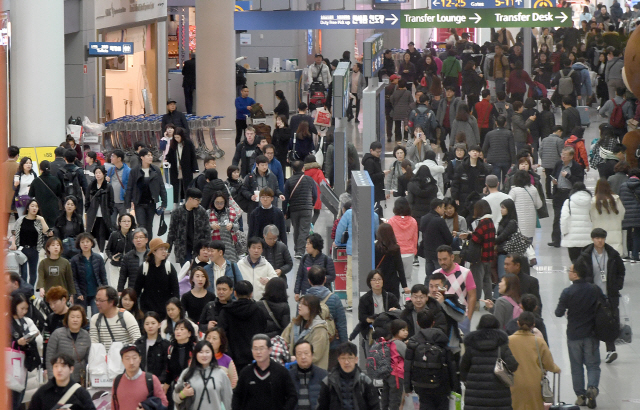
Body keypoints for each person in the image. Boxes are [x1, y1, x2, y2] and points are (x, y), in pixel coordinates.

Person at [555, 257, 603, 408]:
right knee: (593, 365)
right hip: (591, 334)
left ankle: (580, 396)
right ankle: (592, 388)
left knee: (576, 366)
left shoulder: (568, 292)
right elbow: (605, 304)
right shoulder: (594, 289)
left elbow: (558, 312)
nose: (569, 272)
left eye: (570, 270)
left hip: (574, 335)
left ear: (575, 274)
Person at [580, 228, 626, 364]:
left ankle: (611, 350)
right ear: (592, 239)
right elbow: (580, 271)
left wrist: (617, 285)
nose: (599, 241)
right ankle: (592, 352)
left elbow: (621, 271)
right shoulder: (586, 255)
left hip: (609, 295)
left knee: (609, 322)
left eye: (602, 238)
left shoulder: (612, 254)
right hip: (592, 295)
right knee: (591, 323)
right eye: (597, 238)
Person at [459, 314, 518, 410]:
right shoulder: (502, 345)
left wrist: (470, 379)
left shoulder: (471, 345)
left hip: (475, 396)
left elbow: (463, 368)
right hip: (499, 395)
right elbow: (513, 365)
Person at [404, 310, 460, 410]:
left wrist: (408, 387)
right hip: (442, 384)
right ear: (433, 322)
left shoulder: (413, 342)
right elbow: (451, 364)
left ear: (417, 323)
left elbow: (407, 365)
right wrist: (454, 386)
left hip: (421, 384)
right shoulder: (441, 339)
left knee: (425, 404)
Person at [508, 311, 561, 410]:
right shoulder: (539, 342)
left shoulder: (509, 341)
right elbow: (548, 364)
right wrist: (556, 369)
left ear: (518, 323)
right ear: (533, 325)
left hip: (514, 383)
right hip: (534, 384)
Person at [233, 334, 298, 410]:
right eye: (255, 348)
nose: (258, 352)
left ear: (270, 350)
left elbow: (292, 396)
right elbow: (237, 396)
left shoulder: (281, 371)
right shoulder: (245, 372)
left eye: (262, 348)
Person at [217, 280, 267, 369]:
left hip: (232, 358)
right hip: (255, 357)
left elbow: (221, 333)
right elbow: (263, 331)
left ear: (235, 293)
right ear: (251, 294)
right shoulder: (259, 311)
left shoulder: (226, 311)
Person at [316, 342, 379, 410]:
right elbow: (322, 406)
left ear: (356, 360)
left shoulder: (365, 381)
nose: (346, 362)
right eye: (343, 358)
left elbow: (375, 406)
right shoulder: (328, 382)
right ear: (338, 360)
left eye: (350, 358)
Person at [173, 340, 233, 410]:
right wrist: (183, 394)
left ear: (212, 354)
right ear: (195, 354)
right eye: (201, 352)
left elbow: (229, 400)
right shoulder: (187, 373)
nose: (204, 355)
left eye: (207, 352)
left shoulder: (220, 373)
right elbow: (175, 397)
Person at [124, 148, 168, 240]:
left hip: (151, 203)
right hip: (139, 203)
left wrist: (164, 202)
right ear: (142, 157)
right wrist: (127, 203)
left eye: (151, 155)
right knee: (141, 226)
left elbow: (161, 186)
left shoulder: (155, 170)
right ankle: (141, 246)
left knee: (149, 227)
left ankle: (148, 248)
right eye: (148, 155)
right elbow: (130, 187)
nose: (150, 157)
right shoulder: (135, 171)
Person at [112, 344, 169, 410]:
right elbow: (114, 406)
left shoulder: (151, 379)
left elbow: (164, 403)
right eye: (127, 358)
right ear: (122, 360)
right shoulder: (117, 381)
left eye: (134, 358)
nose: (131, 362)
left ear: (140, 359)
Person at [29, 353, 95, 410]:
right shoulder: (42, 392)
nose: (59, 370)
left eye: (63, 366)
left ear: (71, 369)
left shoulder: (80, 393)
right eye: (56, 366)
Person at [434, 245, 477, 332]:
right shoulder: (436, 274)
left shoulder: (465, 273)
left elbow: (472, 296)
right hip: (441, 318)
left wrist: (468, 318)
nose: (442, 262)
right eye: (440, 259)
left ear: (452, 257)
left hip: (460, 317)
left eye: (445, 259)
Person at [282, 294, 331, 369]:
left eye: (304, 304)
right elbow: (283, 339)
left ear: (312, 308)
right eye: (300, 303)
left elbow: (316, 355)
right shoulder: (295, 323)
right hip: (294, 368)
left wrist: (296, 359)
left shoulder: (319, 329)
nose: (299, 306)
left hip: (313, 371)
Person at [134, 237, 179, 318]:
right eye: (161, 249)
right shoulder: (144, 267)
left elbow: (175, 290)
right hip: (147, 310)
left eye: (165, 249)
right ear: (154, 251)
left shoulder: (169, 267)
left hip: (166, 311)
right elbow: (136, 290)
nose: (164, 252)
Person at [460, 200, 496, 303]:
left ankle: (474, 302)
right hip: (489, 256)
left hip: (479, 257)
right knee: (487, 280)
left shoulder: (483, 222)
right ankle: (489, 301)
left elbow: (476, 239)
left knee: (477, 281)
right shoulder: (490, 221)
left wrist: (470, 236)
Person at [45, 305, 91, 384]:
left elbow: (88, 359)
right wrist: (52, 378)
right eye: (72, 317)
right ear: (67, 319)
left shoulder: (86, 336)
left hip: (79, 379)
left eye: (78, 317)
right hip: (59, 377)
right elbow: (49, 357)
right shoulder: (57, 334)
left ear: (83, 319)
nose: (75, 320)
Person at [549, 147, 585, 247]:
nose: (563, 156)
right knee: (557, 217)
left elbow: (579, 182)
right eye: (562, 154)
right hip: (558, 193)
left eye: (565, 154)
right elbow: (553, 174)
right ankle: (556, 240)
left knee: (569, 217)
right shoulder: (558, 164)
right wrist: (554, 181)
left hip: (569, 194)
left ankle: (570, 239)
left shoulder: (576, 167)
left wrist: (568, 176)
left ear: (571, 156)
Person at [12, 199, 52, 286]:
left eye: (36, 206)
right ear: (28, 208)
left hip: (34, 250)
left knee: (33, 274)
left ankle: (30, 291)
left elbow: (48, 233)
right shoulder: (21, 220)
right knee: (24, 274)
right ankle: (23, 291)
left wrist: (41, 219)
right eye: (32, 206)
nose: (34, 208)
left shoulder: (39, 221)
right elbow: (14, 232)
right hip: (22, 250)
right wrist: (13, 243)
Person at [90, 286, 142, 352]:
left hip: (125, 359)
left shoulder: (126, 316)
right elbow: (94, 344)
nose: (97, 303)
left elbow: (137, 340)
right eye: (96, 300)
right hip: (106, 360)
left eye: (101, 300)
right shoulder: (95, 319)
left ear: (112, 302)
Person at [167, 188, 211, 265]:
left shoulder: (202, 212)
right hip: (182, 249)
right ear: (190, 199)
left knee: (198, 272)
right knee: (186, 273)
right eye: (198, 199)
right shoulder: (177, 212)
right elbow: (172, 232)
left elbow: (207, 231)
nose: (199, 202)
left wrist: (208, 248)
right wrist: (168, 249)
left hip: (198, 248)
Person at [284, 161, 317, 257]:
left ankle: (297, 249)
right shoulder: (309, 180)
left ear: (293, 170)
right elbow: (315, 194)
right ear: (303, 168)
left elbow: (285, 198)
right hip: (306, 208)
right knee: (304, 230)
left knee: (297, 230)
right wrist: (312, 204)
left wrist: (285, 210)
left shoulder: (289, 181)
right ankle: (300, 251)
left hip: (294, 209)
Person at [70, 233, 108, 316]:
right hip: (81, 293)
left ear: (92, 243)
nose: (85, 244)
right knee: (82, 317)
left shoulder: (98, 258)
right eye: (82, 242)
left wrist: (105, 291)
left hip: (96, 293)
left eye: (87, 241)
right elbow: (73, 279)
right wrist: (78, 293)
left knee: (96, 316)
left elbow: (103, 277)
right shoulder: (74, 260)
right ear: (79, 244)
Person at [288, 340, 328, 410]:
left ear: (312, 355)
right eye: (299, 354)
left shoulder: (324, 375)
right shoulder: (288, 376)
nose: (303, 357)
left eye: (306, 353)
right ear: (295, 356)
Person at [451, 145, 489, 219]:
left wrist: (485, 189)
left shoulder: (483, 168)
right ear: (469, 152)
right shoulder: (461, 167)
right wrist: (455, 197)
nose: (475, 153)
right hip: (463, 197)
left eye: (477, 151)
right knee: (462, 218)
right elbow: (455, 183)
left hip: (477, 197)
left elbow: (486, 181)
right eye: (473, 151)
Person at [388, 197, 419, 286]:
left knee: (395, 277)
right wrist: (414, 251)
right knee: (407, 278)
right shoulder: (413, 221)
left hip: (395, 252)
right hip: (409, 253)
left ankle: (397, 298)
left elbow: (390, 238)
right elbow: (415, 237)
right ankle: (407, 297)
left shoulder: (391, 221)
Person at [294, 233, 336, 298]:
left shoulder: (326, 260)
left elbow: (332, 276)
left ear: (315, 245)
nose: (306, 246)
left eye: (308, 244)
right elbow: (300, 276)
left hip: (322, 295)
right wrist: (297, 292)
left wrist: (320, 278)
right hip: (306, 293)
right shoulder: (304, 259)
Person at [135, 311, 170, 385]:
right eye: (147, 324)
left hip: (160, 383)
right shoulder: (138, 343)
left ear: (159, 325)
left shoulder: (165, 344)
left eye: (153, 323)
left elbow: (167, 367)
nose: (150, 326)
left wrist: (159, 382)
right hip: (140, 382)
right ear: (144, 325)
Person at [375, 223, 409, 300]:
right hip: (392, 281)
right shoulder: (395, 248)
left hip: (379, 280)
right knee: (393, 305)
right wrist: (404, 285)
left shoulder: (376, 248)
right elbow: (400, 267)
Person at [420, 198, 453, 278]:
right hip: (438, 253)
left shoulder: (423, 218)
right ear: (438, 208)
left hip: (427, 252)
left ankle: (427, 290)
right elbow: (449, 238)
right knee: (440, 276)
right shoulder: (439, 220)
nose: (444, 210)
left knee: (429, 276)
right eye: (443, 208)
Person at [561, 182, 594, 262]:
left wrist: (564, 231)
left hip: (572, 235)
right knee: (585, 260)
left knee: (574, 260)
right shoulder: (591, 201)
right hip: (587, 235)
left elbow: (564, 218)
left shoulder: (568, 202)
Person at [590, 179, 625, 255]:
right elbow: (622, 213)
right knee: (614, 255)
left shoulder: (594, 201)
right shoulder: (616, 199)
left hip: (599, 232)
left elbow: (590, 217)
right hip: (615, 231)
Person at [85, 166, 114, 251]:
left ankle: (101, 251)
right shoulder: (91, 185)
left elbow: (111, 200)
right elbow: (87, 199)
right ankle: (90, 250)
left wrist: (109, 211)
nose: (97, 175)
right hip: (92, 214)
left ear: (103, 174)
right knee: (91, 232)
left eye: (99, 173)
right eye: (96, 173)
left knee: (101, 233)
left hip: (104, 214)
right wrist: (87, 209)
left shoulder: (108, 186)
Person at [508, 170, 543, 241]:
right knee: (529, 243)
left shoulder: (514, 190)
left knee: (518, 245)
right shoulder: (533, 189)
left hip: (517, 222)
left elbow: (508, 204)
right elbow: (539, 205)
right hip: (531, 221)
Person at [28, 160, 63, 227]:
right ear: (50, 169)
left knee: (41, 227)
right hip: (53, 208)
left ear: (40, 169)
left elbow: (31, 195)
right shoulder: (56, 180)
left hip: (40, 208)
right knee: (53, 227)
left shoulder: (36, 181)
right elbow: (60, 193)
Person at [105, 213, 136, 285]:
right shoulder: (114, 234)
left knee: (127, 290)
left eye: (129, 221)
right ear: (119, 223)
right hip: (115, 265)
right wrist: (112, 257)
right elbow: (107, 249)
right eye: (124, 221)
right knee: (116, 288)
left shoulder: (134, 235)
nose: (126, 223)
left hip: (129, 267)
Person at [483, 116, 516, 182]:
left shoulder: (489, 134)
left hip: (493, 159)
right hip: (506, 159)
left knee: (495, 180)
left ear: (496, 123)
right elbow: (512, 148)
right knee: (506, 179)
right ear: (505, 123)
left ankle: (496, 191)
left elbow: (485, 147)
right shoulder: (509, 133)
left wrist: (485, 157)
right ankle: (505, 191)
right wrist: (513, 161)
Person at [408, 166, 439, 234]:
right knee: (427, 234)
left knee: (415, 234)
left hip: (415, 214)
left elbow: (410, 200)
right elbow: (434, 201)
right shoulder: (433, 187)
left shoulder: (412, 185)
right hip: (428, 214)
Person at [117, 227, 149, 292]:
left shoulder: (152, 255)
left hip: (149, 291)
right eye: (136, 238)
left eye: (141, 237)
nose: (138, 240)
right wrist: (120, 290)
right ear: (133, 241)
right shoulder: (127, 256)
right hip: (133, 291)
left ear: (146, 240)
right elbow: (123, 276)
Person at [539, 125, 565, 198]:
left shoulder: (544, 139)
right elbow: (561, 152)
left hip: (546, 163)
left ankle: (548, 194)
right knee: (556, 178)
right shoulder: (559, 140)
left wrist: (544, 159)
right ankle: (555, 193)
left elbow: (540, 151)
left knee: (548, 179)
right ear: (559, 131)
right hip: (556, 163)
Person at [107, 149, 131, 222]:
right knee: (112, 222)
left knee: (123, 222)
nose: (111, 158)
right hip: (112, 201)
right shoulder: (110, 170)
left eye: (113, 156)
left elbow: (131, 186)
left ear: (119, 159)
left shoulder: (128, 171)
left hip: (122, 202)